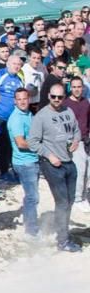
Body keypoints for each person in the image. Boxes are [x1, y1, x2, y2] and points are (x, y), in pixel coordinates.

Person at [28, 84, 83, 252]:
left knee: (70, 200)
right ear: (49, 96)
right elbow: (33, 142)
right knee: (62, 202)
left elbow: (76, 130)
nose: (57, 100)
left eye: (60, 97)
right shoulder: (42, 116)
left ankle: (64, 231)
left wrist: (75, 141)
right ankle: (62, 240)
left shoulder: (68, 111)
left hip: (68, 162)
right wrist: (49, 155)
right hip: (52, 164)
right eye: (53, 97)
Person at [7, 88, 41, 237]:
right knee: (32, 197)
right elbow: (21, 143)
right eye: (19, 99)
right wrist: (41, 146)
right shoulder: (16, 118)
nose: (22, 101)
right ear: (15, 101)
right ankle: (31, 231)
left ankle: (30, 224)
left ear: (29, 99)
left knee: (31, 196)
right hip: (25, 162)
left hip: (32, 160)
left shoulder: (28, 114)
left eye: (24, 98)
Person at [0, 55, 26, 183]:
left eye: (19, 64)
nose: (17, 66)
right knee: (2, 145)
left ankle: (14, 170)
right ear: (8, 63)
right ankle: (3, 172)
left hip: (14, 118)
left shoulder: (19, 79)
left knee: (13, 144)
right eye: (14, 63)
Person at [63, 75, 90, 211]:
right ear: (70, 88)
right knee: (80, 170)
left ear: (83, 88)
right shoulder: (66, 104)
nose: (77, 89)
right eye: (74, 87)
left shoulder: (86, 102)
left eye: (79, 87)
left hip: (86, 140)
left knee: (88, 171)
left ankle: (84, 196)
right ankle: (78, 198)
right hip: (74, 141)